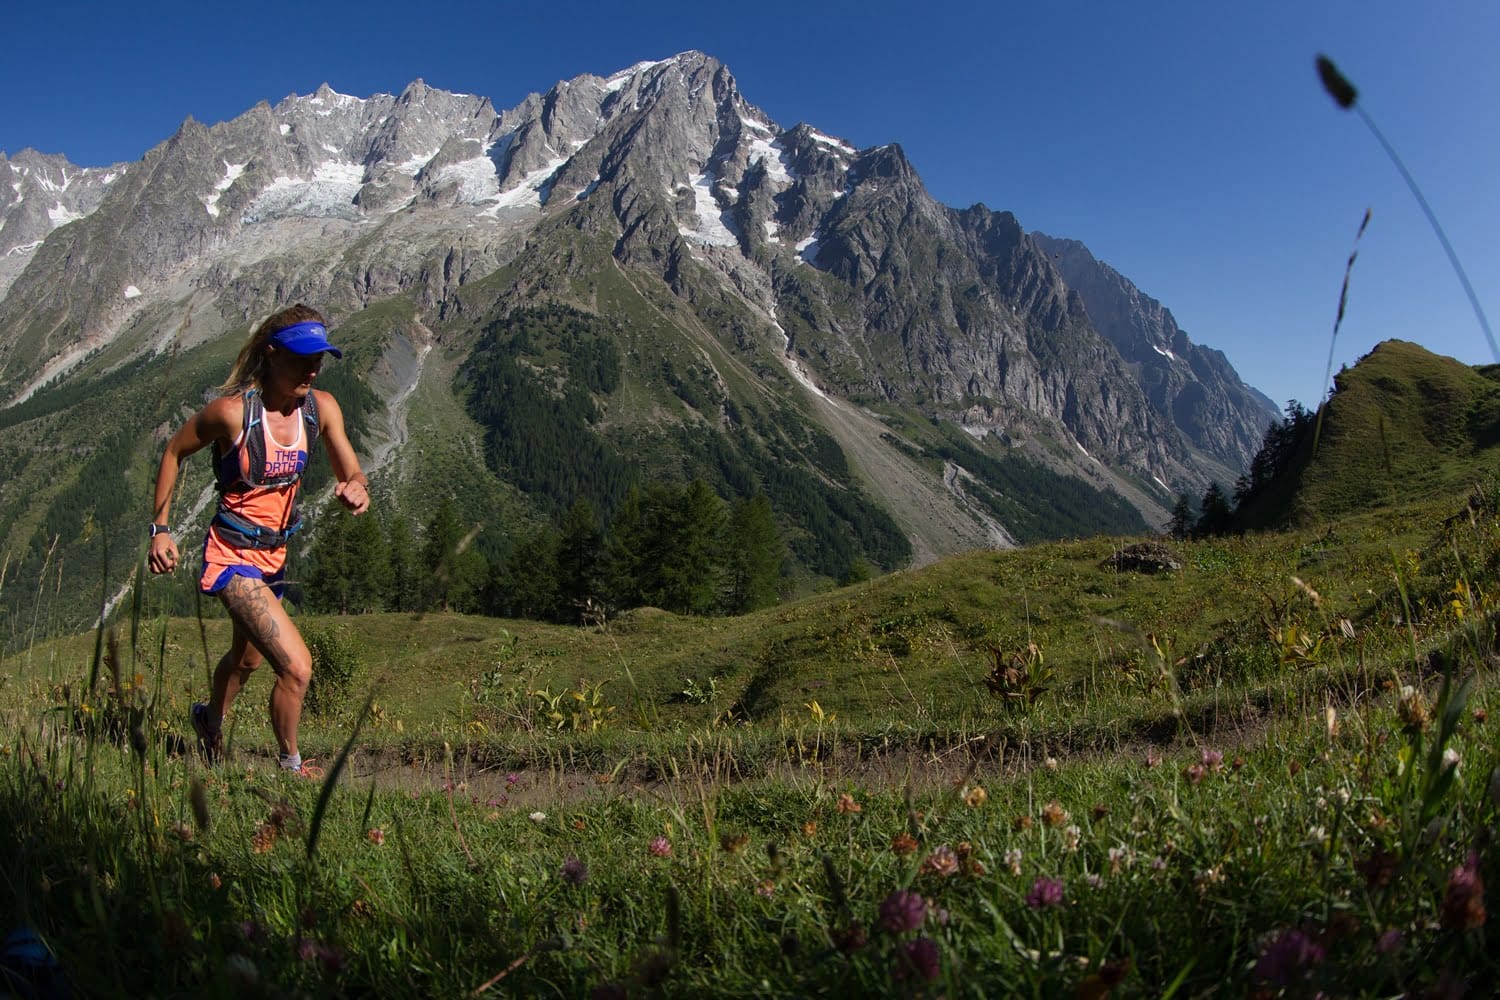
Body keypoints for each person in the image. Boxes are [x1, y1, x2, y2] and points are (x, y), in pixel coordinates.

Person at [147, 304, 370, 777]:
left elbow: (352, 469)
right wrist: (160, 529)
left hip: (276, 558)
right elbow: (173, 451)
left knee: (247, 660)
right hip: (232, 556)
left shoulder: (320, 409)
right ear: (271, 354)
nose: (312, 369)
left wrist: (356, 488)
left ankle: (208, 720)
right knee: (296, 667)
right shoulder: (232, 413)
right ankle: (291, 765)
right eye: (300, 359)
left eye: (319, 360)